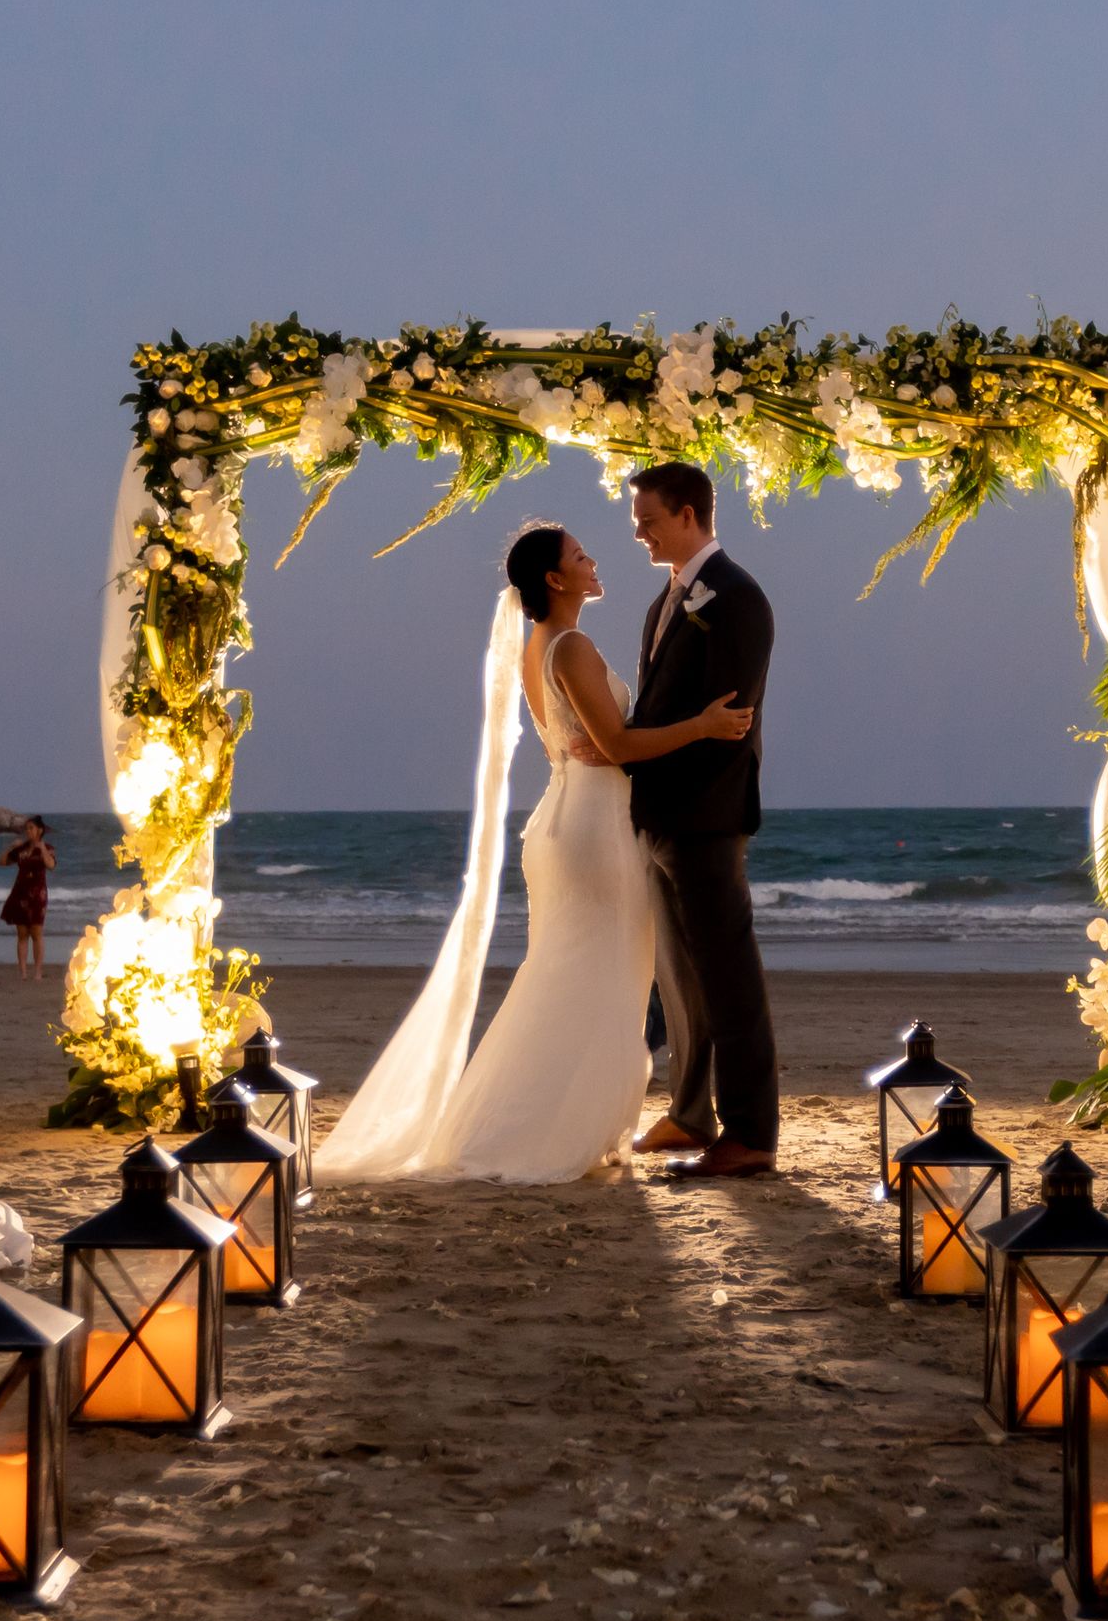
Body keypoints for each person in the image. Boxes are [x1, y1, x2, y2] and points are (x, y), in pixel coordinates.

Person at [320, 521, 751, 1183]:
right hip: (594, 827)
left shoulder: (538, 648)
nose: (593, 560)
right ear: (555, 579)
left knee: (568, 975)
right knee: (607, 977)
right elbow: (617, 747)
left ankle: (560, 1121)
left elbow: (579, 744)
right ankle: (557, 1131)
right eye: (580, 555)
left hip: (564, 816)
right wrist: (704, 726)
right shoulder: (571, 646)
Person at [621, 461, 781, 1177]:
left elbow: (730, 724)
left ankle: (750, 1134)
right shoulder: (668, 599)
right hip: (657, 815)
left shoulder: (738, 596)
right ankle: (690, 1113)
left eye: (649, 520)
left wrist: (681, 808)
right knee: (679, 980)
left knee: (728, 979)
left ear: (689, 514)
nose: (640, 534)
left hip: (705, 819)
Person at [0, 816, 55, 979]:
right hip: (20, 892)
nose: (28, 831)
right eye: (27, 828)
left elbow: (51, 865)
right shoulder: (21, 848)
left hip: (38, 894)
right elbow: (2, 862)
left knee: (36, 932)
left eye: (31, 828)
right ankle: (22, 972)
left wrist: (42, 849)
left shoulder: (47, 848)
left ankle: (37, 972)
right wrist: (11, 847)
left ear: (39, 830)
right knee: (22, 934)